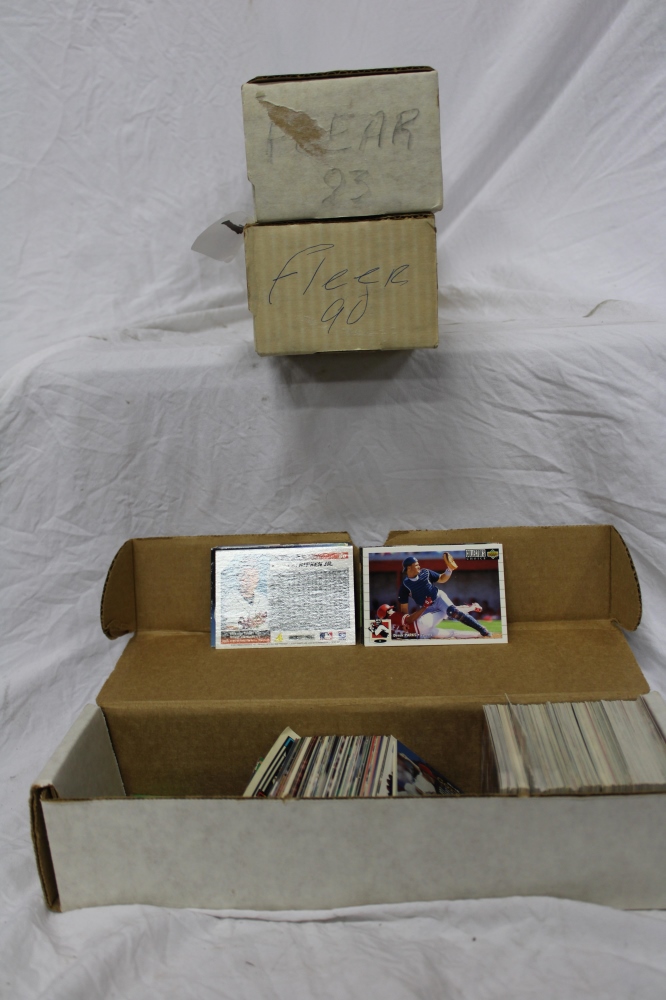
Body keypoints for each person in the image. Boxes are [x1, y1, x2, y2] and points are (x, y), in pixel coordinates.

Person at [397, 555, 493, 639]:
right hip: (426, 608)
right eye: (416, 565)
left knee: (453, 612)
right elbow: (404, 609)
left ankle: (482, 629)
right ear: (409, 568)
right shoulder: (405, 585)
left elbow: (442, 578)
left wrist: (449, 570)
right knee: (424, 629)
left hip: (439, 598)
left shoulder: (425, 572)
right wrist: (405, 622)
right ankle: (472, 607)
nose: (419, 566)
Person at [221, 563, 269, 631]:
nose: (249, 580)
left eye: (253, 576)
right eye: (246, 576)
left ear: (257, 579)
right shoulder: (228, 600)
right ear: (239, 578)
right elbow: (227, 627)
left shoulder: (263, 599)